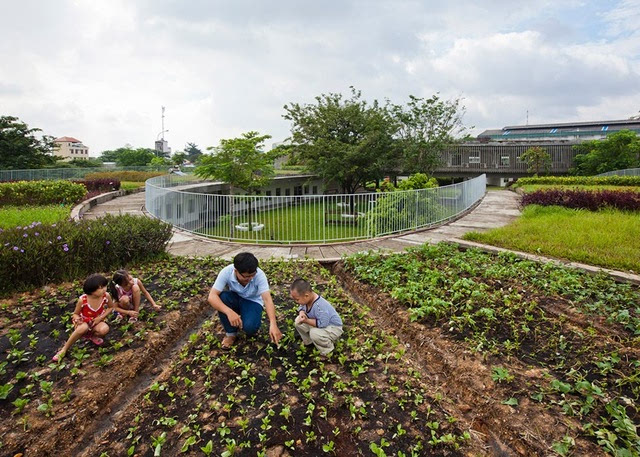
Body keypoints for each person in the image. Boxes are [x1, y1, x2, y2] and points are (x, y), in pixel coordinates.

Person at [208, 252, 282, 349]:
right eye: (246, 276)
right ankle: (231, 334)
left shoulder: (259, 275)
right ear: (236, 271)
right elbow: (211, 297)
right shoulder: (226, 272)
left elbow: (267, 300)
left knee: (250, 328)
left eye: (252, 275)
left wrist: (273, 324)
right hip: (234, 298)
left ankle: (246, 319)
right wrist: (229, 312)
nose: (250, 278)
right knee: (222, 297)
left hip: (252, 301)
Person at [52, 274, 114, 361]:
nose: (104, 289)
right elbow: (75, 314)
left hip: (97, 321)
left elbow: (111, 307)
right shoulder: (83, 300)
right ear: (91, 290)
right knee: (83, 328)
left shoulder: (106, 296)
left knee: (104, 329)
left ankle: (92, 335)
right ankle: (64, 349)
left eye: (105, 286)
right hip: (84, 321)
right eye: (101, 287)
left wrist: (100, 318)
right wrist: (77, 319)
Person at [290, 278, 343, 356]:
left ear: (306, 295)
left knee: (314, 333)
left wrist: (306, 321)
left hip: (333, 327)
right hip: (317, 322)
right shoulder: (306, 300)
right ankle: (309, 342)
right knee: (298, 321)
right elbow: (301, 306)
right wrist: (301, 312)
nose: (296, 302)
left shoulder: (320, 307)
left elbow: (323, 324)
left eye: (297, 300)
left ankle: (327, 350)